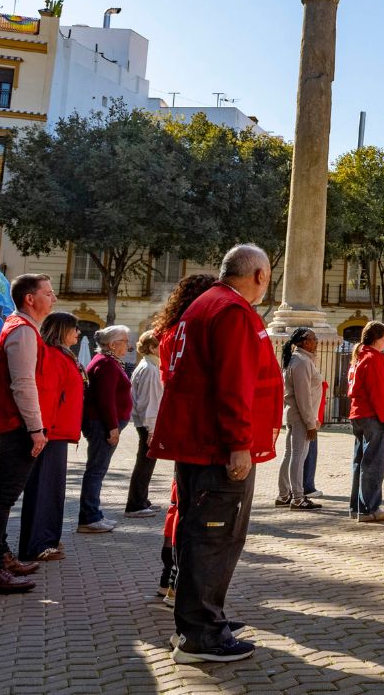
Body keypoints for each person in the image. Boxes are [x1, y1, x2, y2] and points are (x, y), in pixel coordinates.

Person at [148, 244, 283, 663]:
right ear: (259, 275)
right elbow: (233, 383)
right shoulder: (231, 311)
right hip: (217, 449)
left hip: (200, 443)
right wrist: (239, 444)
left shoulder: (205, 305)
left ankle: (201, 621)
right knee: (214, 536)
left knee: (199, 535)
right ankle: (201, 634)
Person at [0, 273, 55, 594]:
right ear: (30, 299)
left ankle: (2, 558)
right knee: (3, 497)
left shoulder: (20, 328)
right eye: (48, 293)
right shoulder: (22, 331)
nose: (53, 299)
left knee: (4, 496)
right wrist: (35, 428)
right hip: (16, 426)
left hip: (12, 424)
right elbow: (23, 384)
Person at [149, 272, 219, 610]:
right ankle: (177, 581)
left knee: (179, 505)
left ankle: (169, 578)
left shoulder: (169, 334)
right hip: (195, 426)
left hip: (177, 422)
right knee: (190, 508)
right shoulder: (193, 331)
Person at [18, 311, 84, 563]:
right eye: (74, 328)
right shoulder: (53, 356)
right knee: (44, 489)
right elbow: (47, 395)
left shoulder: (61, 354)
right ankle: (37, 545)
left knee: (51, 489)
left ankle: (46, 540)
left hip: (57, 432)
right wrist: (42, 431)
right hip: (51, 433)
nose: (77, 333)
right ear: (61, 330)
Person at [77, 325, 133, 534]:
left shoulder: (108, 363)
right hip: (102, 424)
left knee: (97, 470)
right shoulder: (107, 364)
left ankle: (94, 515)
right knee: (96, 471)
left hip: (102, 423)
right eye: (125, 341)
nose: (128, 345)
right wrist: (112, 427)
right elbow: (105, 399)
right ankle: (89, 517)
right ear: (112, 344)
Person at [347, 321, 384, 523]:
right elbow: (380, 393)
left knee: (360, 463)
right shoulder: (375, 358)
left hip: (358, 414)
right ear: (376, 338)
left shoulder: (360, 356)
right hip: (372, 416)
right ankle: (369, 508)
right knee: (375, 463)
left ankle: (357, 507)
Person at [276, 328, 323, 510]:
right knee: (298, 455)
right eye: (313, 338)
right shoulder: (302, 361)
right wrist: (310, 422)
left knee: (291, 454)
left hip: (296, 414)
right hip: (300, 417)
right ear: (304, 342)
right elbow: (303, 396)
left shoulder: (299, 359)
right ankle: (297, 497)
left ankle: (284, 494)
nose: (317, 341)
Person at [124, 330, 163, 518]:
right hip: (146, 424)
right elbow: (149, 402)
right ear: (153, 348)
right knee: (144, 463)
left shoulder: (148, 365)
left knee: (146, 462)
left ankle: (142, 500)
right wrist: (152, 429)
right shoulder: (150, 369)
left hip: (144, 422)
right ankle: (135, 504)